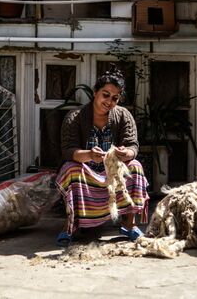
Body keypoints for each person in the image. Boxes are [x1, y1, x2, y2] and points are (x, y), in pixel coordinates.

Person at [55, 66, 149, 247]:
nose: (110, 101)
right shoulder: (74, 117)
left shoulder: (123, 115)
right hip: (87, 171)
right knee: (70, 169)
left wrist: (125, 153)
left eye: (115, 98)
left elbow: (133, 146)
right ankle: (70, 225)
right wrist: (89, 155)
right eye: (105, 95)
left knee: (135, 165)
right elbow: (68, 150)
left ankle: (129, 224)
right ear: (95, 92)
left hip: (113, 172)